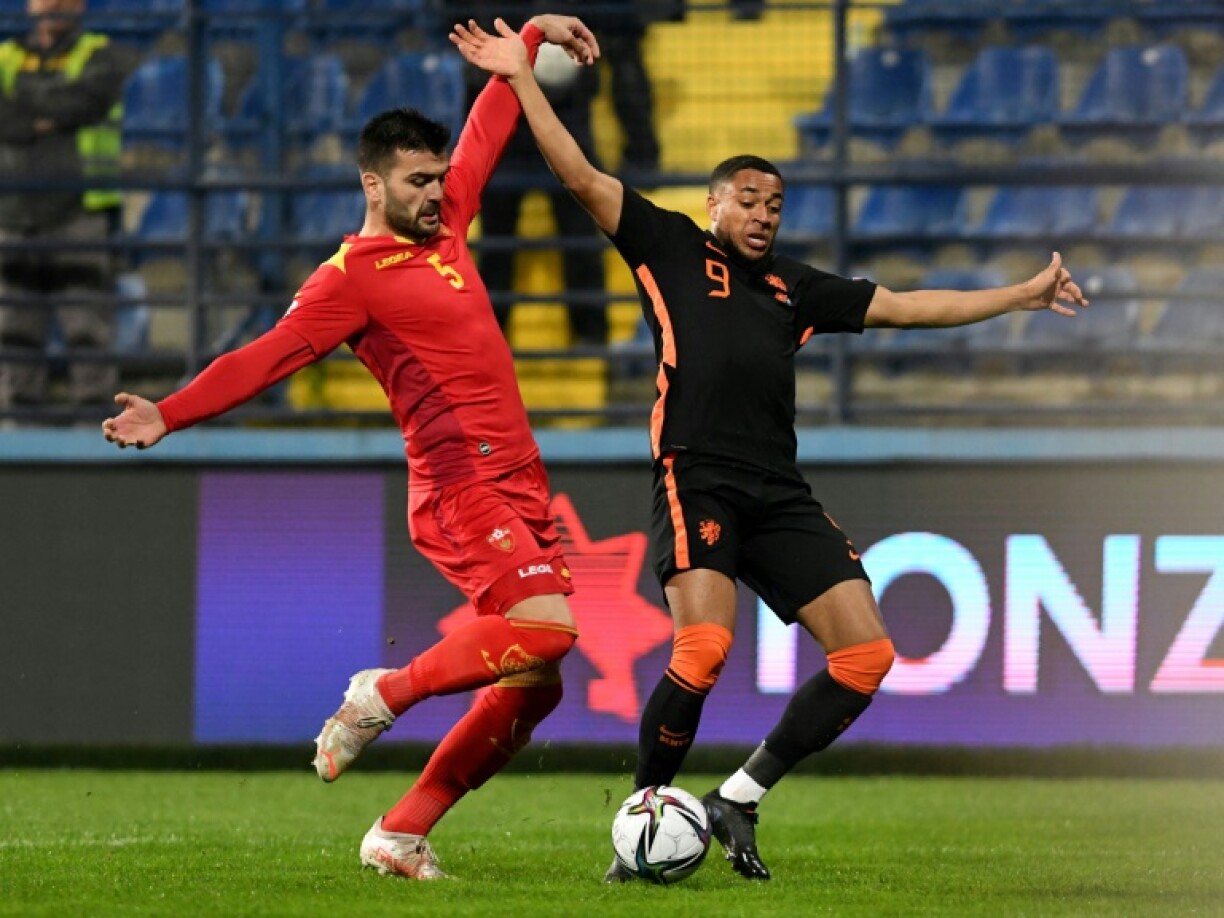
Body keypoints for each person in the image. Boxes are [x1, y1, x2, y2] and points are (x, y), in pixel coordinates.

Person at [450, 18, 1089, 883]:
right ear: (713, 205)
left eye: (774, 205)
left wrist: (1021, 293)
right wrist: (522, 78)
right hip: (698, 477)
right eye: (747, 200)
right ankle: (641, 821)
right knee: (703, 650)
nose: (762, 214)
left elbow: (907, 305)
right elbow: (577, 172)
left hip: (778, 490)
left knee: (868, 658)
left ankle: (739, 797)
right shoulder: (667, 245)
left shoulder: (795, 288)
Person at [102, 13, 600, 881]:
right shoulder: (347, 281)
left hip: (519, 481)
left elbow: (489, 124)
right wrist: (170, 414)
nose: (435, 194)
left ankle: (399, 833)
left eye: (439, 178)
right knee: (546, 634)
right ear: (372, 185)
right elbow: (263, 357)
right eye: (416, 182)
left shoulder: (446, 228)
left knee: (538, 681)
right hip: (457, 487)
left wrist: (527, 35)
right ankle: (383, 692)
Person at [0, 0, 127, 418]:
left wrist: (25, 114)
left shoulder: (99, 53)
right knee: (14, 331)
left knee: (88, 330)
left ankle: (97, 429)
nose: (52, 3)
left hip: (79, 211)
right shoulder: (7, 55)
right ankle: (19, 426)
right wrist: (46, 117)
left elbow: (87, 101)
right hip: (14, 213)